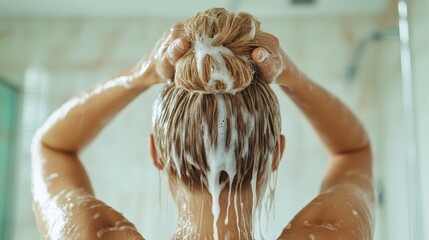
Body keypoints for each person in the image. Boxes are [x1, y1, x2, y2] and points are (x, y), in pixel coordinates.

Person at [31, 8, 375, 240]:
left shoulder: (94, 234)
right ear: (276, 154)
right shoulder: (329, 231)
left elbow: (51, 146)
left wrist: (141, 74)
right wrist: (292, 77)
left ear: (157, 153)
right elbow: (353, 149)